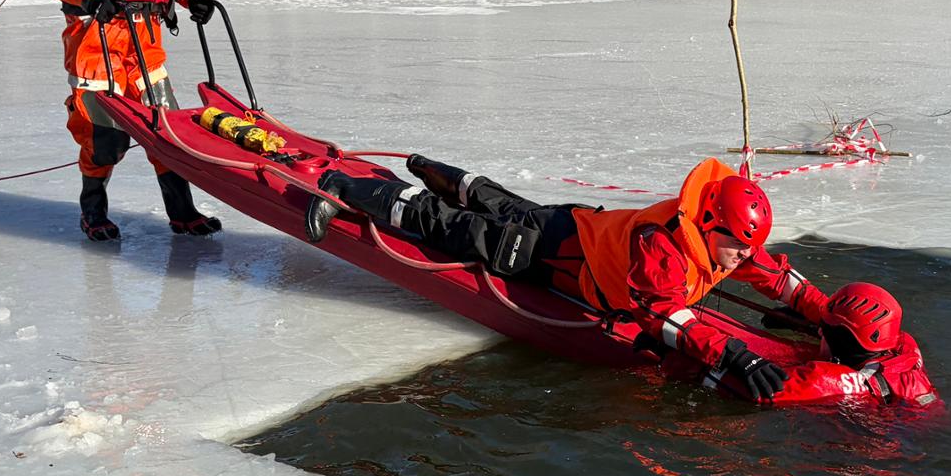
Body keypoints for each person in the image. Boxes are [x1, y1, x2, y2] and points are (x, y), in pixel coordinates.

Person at [304, 155, 818, 401]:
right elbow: (666, 317)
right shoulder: (661, 251)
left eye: (747, 247)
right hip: (551, 256)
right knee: (453, 230)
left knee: (509, 207)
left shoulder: (722, 240)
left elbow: (779, 278)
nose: (743, 257)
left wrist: (830, 315)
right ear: (708, 223)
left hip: (576, 224)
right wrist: (733, 353)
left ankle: (458, 181)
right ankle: (343, 188)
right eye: (737, 245)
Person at [42, 0, 226, 242]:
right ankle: (93, 212)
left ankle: (183, 212)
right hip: (97, 42)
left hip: (146, 42)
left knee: (168, 129)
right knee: (102, 137)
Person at [717, 282, 939, 407]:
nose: (820, 330)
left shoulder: (826, 379)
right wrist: (802, 323)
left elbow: (755, 391)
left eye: (824, 330)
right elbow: (861, 332)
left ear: (842, 342)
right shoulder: (905, 346)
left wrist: (730, 357)